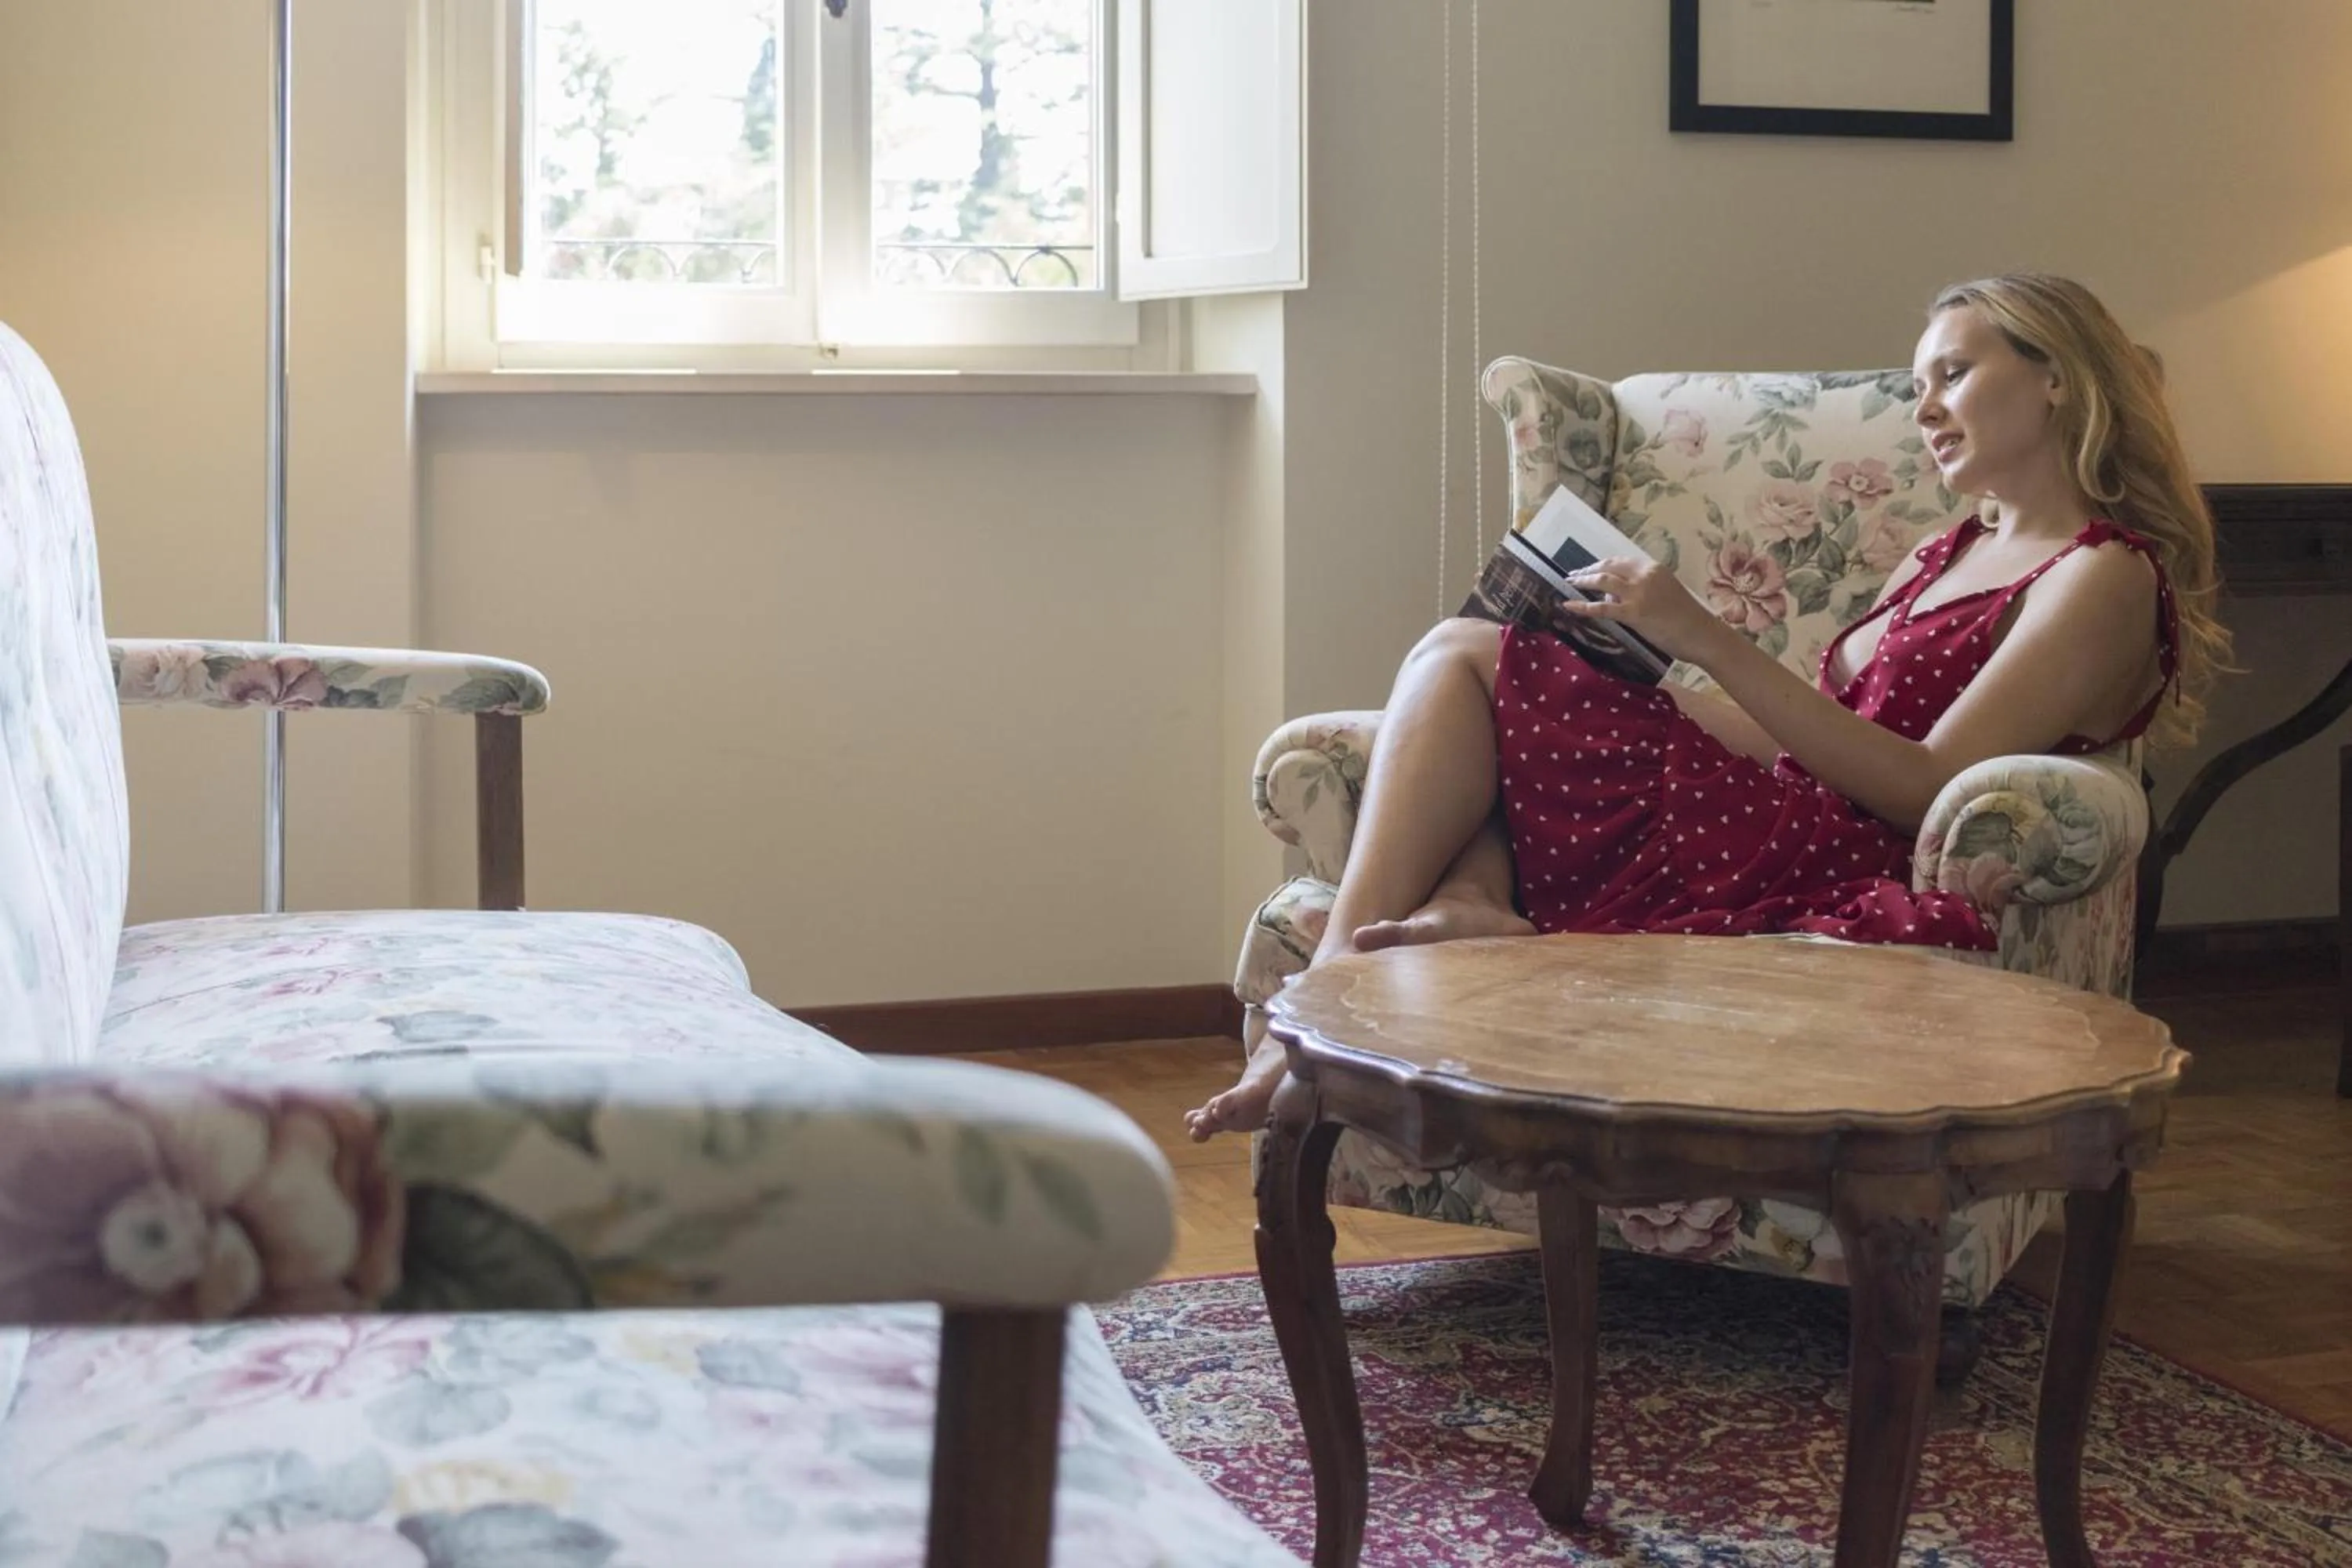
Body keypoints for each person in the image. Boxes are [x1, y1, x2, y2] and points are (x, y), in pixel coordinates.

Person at [1185, 272, 2229, 1142]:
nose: (1923, 412)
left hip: (1840, 850)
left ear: (2057, 376)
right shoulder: (1940, 553)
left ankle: (1306, 1020)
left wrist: (1703, 635)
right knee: (1494, 653)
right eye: (1919, 385)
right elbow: (1816, 719)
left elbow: (1923, 784)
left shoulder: (2101, 577)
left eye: (1954, 374)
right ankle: (1471, 898)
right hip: (1784, 801)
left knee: (1466, 656)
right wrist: (1651, 675)